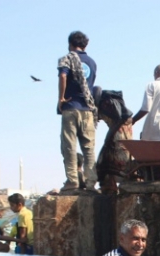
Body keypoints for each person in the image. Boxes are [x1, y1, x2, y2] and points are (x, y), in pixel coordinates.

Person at [57, 31, 98, 194]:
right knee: (89, 148)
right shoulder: (92, 62)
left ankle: (72, 181)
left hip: (71, 107)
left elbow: (63, 76)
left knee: (69, 146)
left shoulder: (66, 58)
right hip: (88, 109)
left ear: (70, 44)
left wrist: (61, 98)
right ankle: (91, 182)